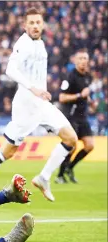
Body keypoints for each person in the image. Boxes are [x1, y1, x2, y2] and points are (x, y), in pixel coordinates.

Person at [0, 7, 78, 202]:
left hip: (41, 103)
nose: (35, 26)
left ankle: (43, 178)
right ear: (25, 25)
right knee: (9, 151)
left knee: (71, 139)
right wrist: (32, 88)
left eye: (38, 22)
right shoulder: (23, 44)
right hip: (26, 106)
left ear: (43, 25)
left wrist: (40, 89)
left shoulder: (40, 44)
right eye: (31, 23)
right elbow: (10, 69)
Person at [55, 49, 95, 184]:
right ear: (75, 61)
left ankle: (70, 168)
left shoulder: (88, 77)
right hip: (71, 116)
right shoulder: (70, 76)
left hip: (83, 116)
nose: (83, 61)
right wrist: (79, 95)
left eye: (85, 58)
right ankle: (59, 175)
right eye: (80, 58)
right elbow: (61, 97)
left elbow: (85, 94)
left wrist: (90, 101)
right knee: (71, 146)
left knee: (89, 145)